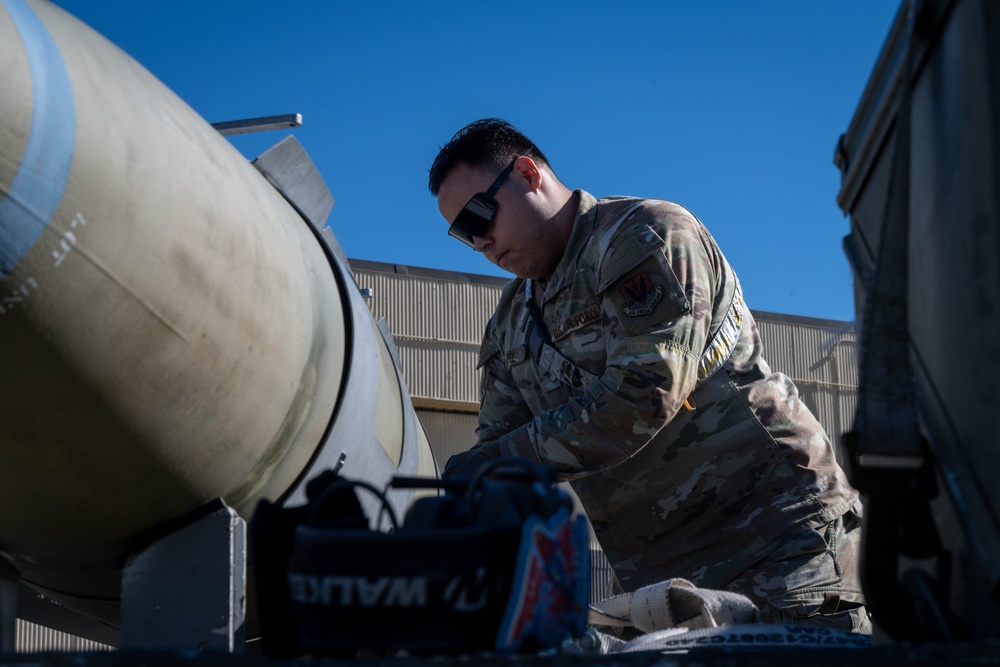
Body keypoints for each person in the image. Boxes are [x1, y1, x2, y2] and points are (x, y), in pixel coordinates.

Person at [428, 118, 869, 633]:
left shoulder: (643, 236)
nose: (479, 241)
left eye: (480, 216)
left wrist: (487, 466)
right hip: (661, 584)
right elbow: (496, 461)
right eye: (462, 234)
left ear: (528, 174)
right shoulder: (510, 326)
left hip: (776, 546)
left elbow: (643, 396)